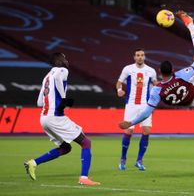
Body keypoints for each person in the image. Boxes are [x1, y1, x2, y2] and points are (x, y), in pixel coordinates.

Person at [119, 34, 194, 131]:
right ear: (173, 70)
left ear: (159, 71)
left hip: (188, 103)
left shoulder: (156, 90)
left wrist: (131, 122)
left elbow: (146, 113)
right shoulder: (180, 75)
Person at [24, 53, 100, 186]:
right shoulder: (62, 70)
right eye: (65, 57)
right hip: (55, 117)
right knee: (86, 143)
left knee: (65, 148)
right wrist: (63, 98)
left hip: (44, 118)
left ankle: (33, 163)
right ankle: (84, 178)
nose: (67, 60)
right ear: (59, 60)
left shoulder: (46, 77)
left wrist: (55, 101)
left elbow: (39, 103)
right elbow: (59, 77)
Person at [116, 49, 157, 171]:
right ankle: (123, 159)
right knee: (128, 132)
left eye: (142, 55)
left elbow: (156, 85)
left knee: (146, 131)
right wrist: (119, 90)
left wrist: (155, 97)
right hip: (131, 105)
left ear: (144, 57)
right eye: (138, 55)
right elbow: (119, 83)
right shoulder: (128, 69)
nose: (140, 57)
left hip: (146, 105)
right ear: (134, 57)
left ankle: (139, 160)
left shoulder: (151, 71)